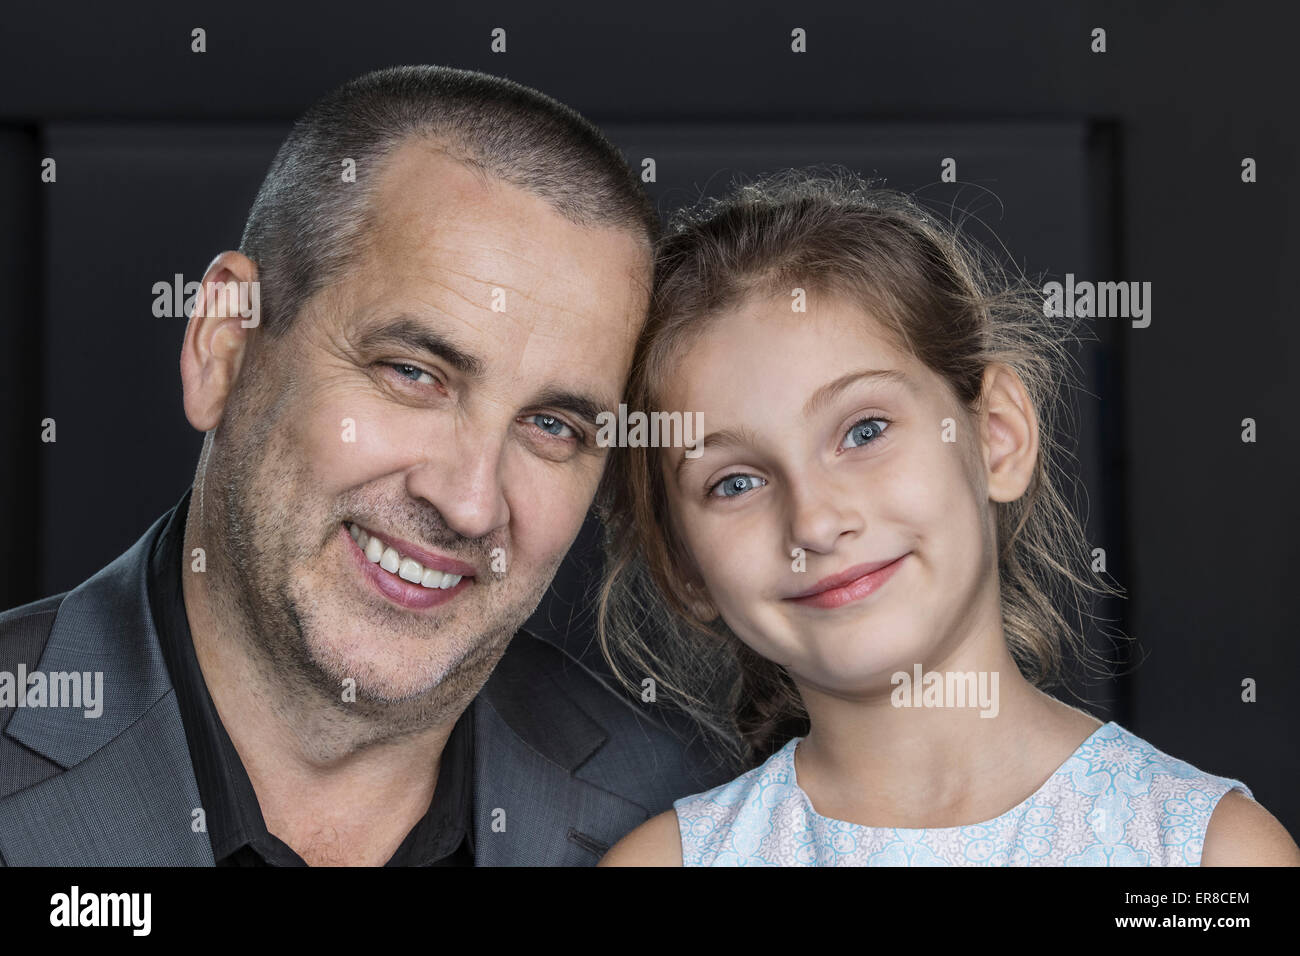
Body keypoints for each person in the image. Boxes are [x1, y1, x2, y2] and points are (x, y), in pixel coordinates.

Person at [0, 65, 729, 866]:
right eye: (413, 373)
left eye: (551, 426)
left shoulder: (696, 823)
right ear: (224, 345)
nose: (469, 503)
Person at [595, 169, 1300, 866]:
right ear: (681, 565)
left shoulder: (1208, 855)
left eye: (865, 431)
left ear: (996, 434)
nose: (814, 523)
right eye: (736, 481)